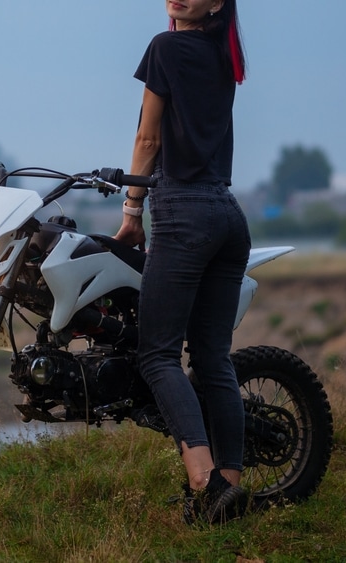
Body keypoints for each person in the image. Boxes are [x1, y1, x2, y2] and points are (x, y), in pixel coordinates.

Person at [114, 0, 251, 525]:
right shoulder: (223, 53)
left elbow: (149, 137)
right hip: (227, 215)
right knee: (214, 359)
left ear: (217, 2)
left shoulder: (166, 47)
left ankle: (203, 481)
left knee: (158, 356)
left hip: (182, 211)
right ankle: (231, 489)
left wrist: (131, 212)